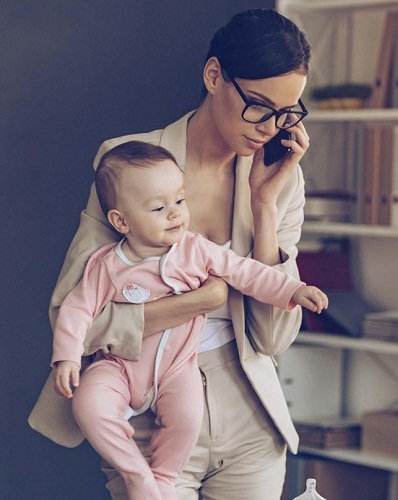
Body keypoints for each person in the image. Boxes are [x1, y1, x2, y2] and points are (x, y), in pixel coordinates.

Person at [29, 8, 314, 499]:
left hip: (249, 414)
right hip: (146, 416)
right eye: (260, 107)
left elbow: (272, 339)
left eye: (287, 113)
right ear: (214, 76)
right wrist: (195, 303)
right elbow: (75, 317)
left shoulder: (281, 182)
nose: (271, 128)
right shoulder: (125, 162)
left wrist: (264, 208)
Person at [51, 141, 328, 500]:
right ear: (121, 221)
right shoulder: (107, 264)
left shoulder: (195, 249)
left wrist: (292, 289)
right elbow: (77, 309)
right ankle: (137, 475)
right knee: (88, 403)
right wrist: (68, 357)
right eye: (158, 207)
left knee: (187, 416)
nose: (175, 214)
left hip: (179, 368)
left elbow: (246, 272)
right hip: (119, 367)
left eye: (180, 201)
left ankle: (164, 477)